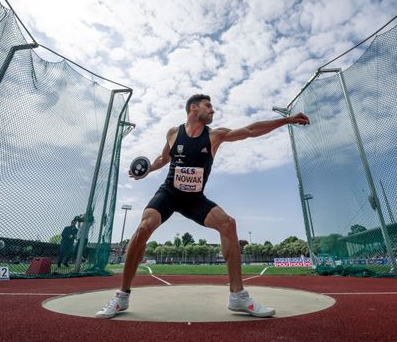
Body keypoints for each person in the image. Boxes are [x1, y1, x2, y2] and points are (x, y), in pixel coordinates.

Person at [95, 94, 309, 319]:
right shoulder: (173, 134)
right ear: (193, 108)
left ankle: (238, 297)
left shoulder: (215, 136)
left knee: (228, 224)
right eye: (209, 106)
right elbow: (163, 159)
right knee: (142, 229)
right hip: (169, 193)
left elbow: (250, 131)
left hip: (195, 199)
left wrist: (287, 120)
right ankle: (121, 297)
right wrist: (148, 170)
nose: (213, 111)